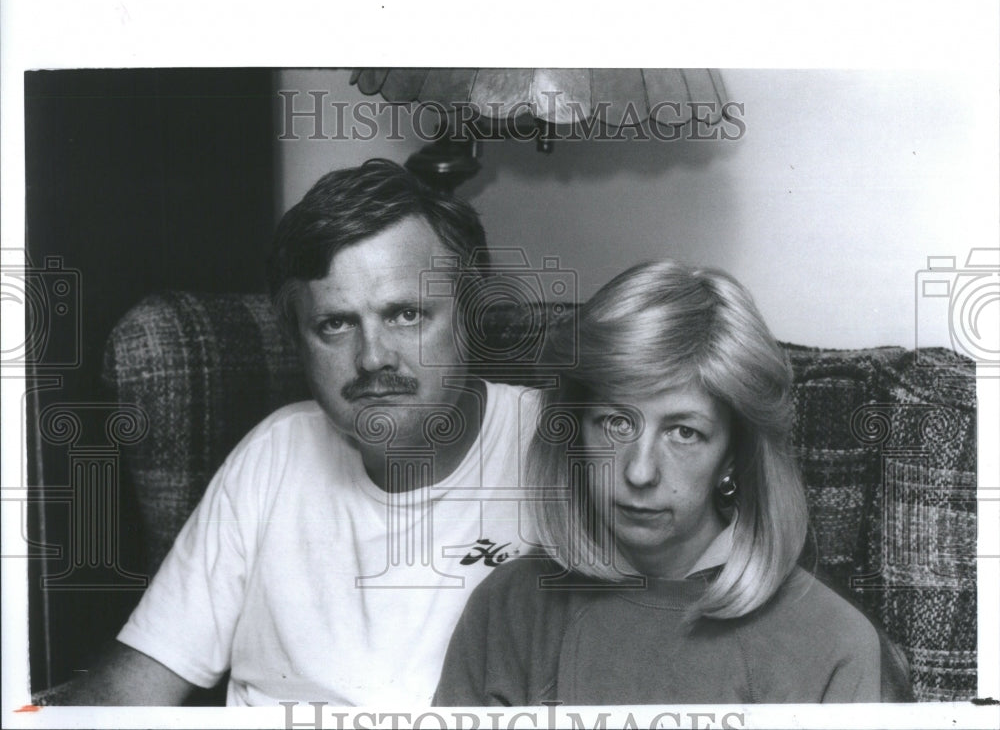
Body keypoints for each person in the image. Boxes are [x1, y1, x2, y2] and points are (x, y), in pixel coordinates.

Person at [38, 159, 538, 706]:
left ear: (470, 316)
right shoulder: (274, 452)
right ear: (297, 341)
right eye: (335, 324)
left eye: (406, 315)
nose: (372, 358)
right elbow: (132, 687)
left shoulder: (560, 452)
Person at [434, 259, 912, 705]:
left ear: (734, 454)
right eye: (616, 423)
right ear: (573, 430)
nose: (639, 472)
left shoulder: (834, 642)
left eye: (684, 433)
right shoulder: (509, 607)